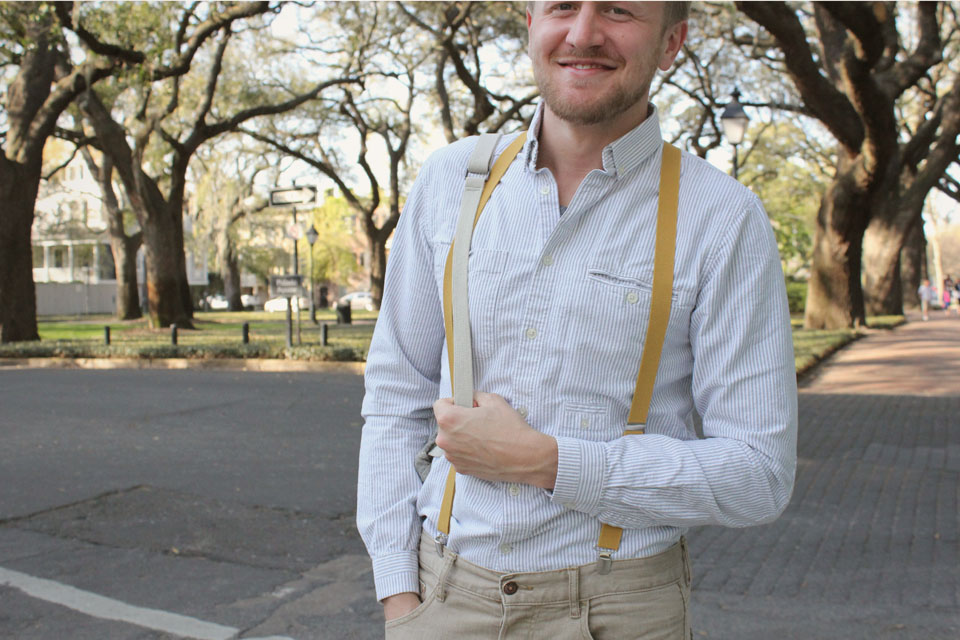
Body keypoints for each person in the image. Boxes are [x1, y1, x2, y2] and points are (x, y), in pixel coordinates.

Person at [358, 2, 798, 638]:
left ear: (671, 42)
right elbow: (396, 393)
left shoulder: (722, 217)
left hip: (621, 608)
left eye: (619, 9)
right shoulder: (451, 180)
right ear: (530, 23)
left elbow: (759, 474)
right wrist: (399, 593)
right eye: (562, 5)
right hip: (443, 596)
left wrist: (550, 463)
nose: (584, 33)